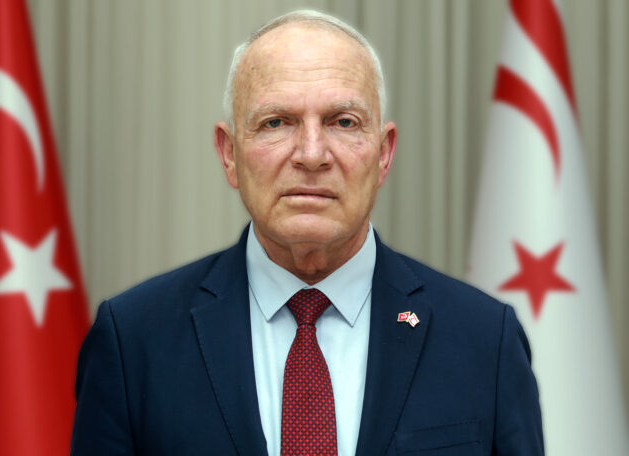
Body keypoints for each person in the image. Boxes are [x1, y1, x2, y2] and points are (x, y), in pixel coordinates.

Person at [71, 10, 544, 456]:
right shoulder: (133, 340)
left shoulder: (486, 339)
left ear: (383, 154)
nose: (312, 154)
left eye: (343, 122)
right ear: (229, 154)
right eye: (276, 122)